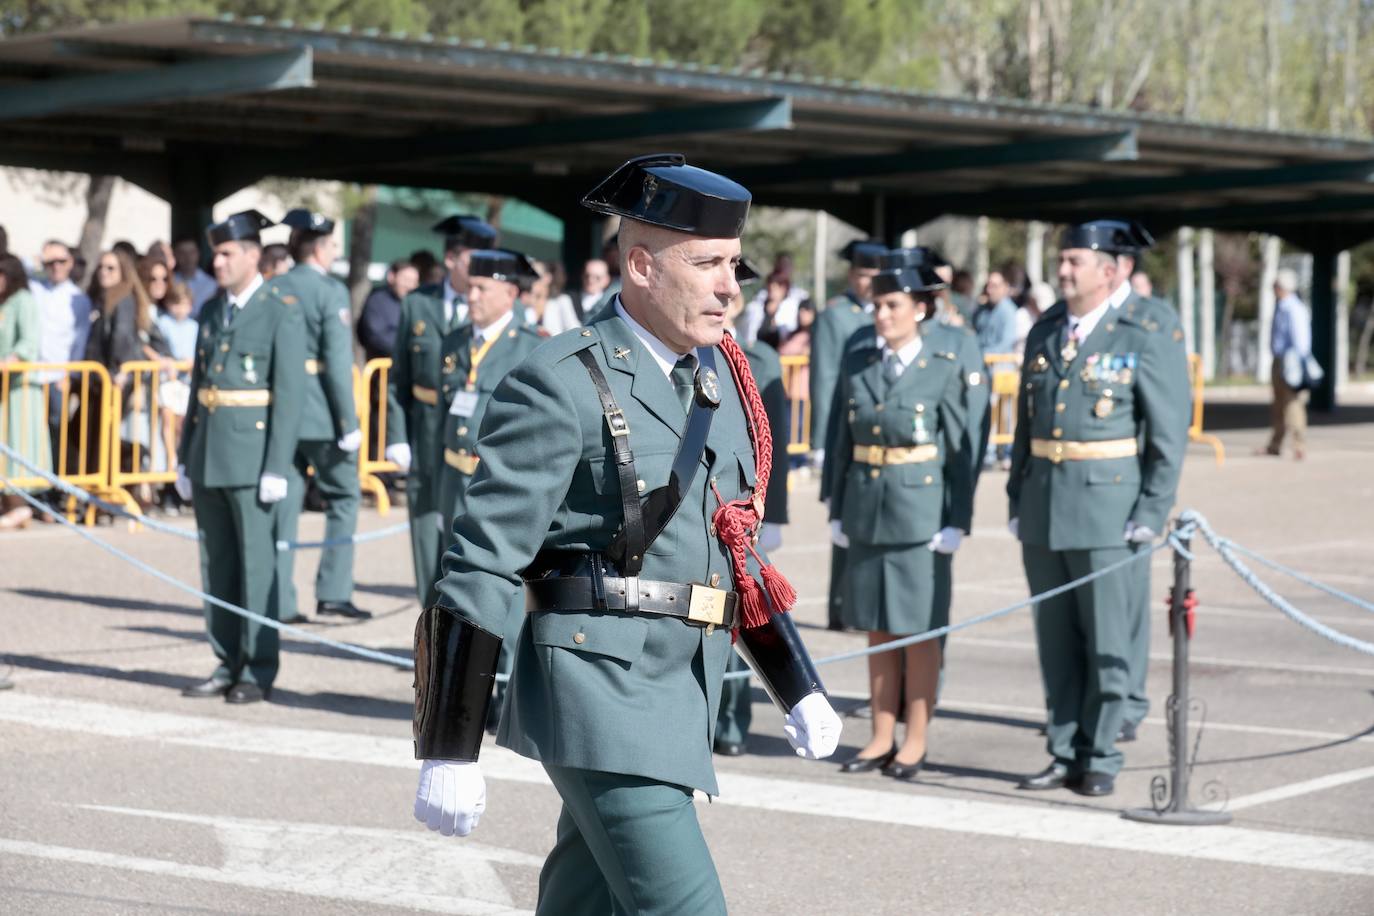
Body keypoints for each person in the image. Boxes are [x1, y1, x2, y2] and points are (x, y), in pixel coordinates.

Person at [411, 154, 841, 914]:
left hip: (680, 691)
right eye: (706, 263)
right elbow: (481, 559)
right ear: (641, 265)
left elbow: (735, 555)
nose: (729, 285)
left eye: (733, 264)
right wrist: (448, 744)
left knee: (587, 903)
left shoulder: (722, 385)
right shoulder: (561, 381)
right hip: (600, 691)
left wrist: (796, 685)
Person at [1009, 223, 1188, 797]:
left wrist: (1152, 509)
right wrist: (1018, 495)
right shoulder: (1044, 330)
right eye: (1062, 261)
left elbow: (1167, 434)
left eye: (1074, 262)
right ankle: (1064, 750)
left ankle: (1102, 752)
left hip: (1112, 510)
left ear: (1110, 271)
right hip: (1046, 507)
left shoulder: (1146, 330)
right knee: (1056, 641)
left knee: (1109, 638)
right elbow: (1024, 427)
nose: (1063, 271)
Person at [824, 259, 983, 779]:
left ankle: (915, 738)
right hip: (867, 506)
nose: (882, 314)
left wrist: (958, 517)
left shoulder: (941, 362)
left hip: (921, 513)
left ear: (921, 309)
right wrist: (835, 502)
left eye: (892, 305)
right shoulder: (861, 359)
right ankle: (878, 735)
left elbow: (961, 447)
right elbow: (838, 433)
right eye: (877, 305)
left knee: (919, 630)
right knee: (876, 626)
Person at [175, 210, 304, 705]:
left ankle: (257, 666)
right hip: (210, 454)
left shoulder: (279, 308)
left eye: (228, 253)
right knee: (218, 565)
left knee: (256, 567)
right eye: (217, 253)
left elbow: (289, 396)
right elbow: (198, 389)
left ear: (253, 255)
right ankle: (225, 660)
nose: (218, 261)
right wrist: (185, 455)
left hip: (253, 461)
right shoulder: (212, 310)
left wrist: (277, 466)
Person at [433, 248, 546, 731]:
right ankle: (457, 687)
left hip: (499, 488)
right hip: (452, 477)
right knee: (455, 585)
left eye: (482, 288)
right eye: (470, 286)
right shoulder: (456, 340)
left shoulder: (529, 347)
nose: (471, 294)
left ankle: (506, 692)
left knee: (505, 592)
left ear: (510, 293)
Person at [386, 214, 498, 607]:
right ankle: (428, 629)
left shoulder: (490, 308)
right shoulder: (418, 304)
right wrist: (396, 437)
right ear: (452, 259)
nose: (482, 266)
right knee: (424, 537)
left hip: (467, 443)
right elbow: (398, 379)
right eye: (474, 257)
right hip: (426, 433)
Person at [273, 209, 368, 624]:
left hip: (283, 414)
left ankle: (279, 600)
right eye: (331, 245)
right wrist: (348, 422)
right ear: (317, 247)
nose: (334, 253)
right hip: (322, 415)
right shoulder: (330, 292)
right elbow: (336, 358)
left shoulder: (275, 287)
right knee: (344, 498)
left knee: (284, 505)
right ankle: (332, 591)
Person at [713, 257, 791, 757]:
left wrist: (775, 512)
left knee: (743, 612)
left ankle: (734, 720)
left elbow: (774, 438)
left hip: (745, 511)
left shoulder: (760, 360)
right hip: (702, 507)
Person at [810, 238, 885, 631]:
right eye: (862, 275)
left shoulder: (887, 311)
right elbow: (824, 380)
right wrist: (821, 442)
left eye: (874, 276)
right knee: (843, 520)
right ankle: (840, 606)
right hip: (842, 432)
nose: (868, 283)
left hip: (874, 432)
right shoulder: (836, 316)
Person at [28, 241, 91, 477]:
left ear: (70, 263)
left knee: (58, 431)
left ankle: (56, 486)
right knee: (32, 430)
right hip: (32, 374)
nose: (55, 266)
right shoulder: (35, 289)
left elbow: (80, 340)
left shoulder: (78, 298)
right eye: (50, 262)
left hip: (58, 376)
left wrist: (69, 375)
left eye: (61, 261)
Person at [0, 254, 50, 530]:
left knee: (17, 444)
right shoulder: (4, 303)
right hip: (4, 390)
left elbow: (28, 343)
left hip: (20, 389)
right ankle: (8, 502)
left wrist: (9, 362)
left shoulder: (24, 302)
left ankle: (19, 505)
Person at [1263, 268, 1312, 461]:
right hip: (1279, 360)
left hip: (1291, 362)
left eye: (1275, 285)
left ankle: (1299, 445)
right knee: (1277, 405)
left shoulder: (1294, 309)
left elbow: (1301, 342)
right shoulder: (1281, 306)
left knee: (1293, 404)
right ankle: (1275, 444)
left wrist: (1296, 364)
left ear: (1282, 287)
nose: (1273, 289)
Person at [359, 259, 419, 364]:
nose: (410, 286)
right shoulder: (377, 301)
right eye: (406, 279)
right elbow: (377, 337)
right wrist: (408, 350)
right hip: (384, 373)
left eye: (414, 282)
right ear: (392, 277)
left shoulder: (416, 304)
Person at [172, 236, 218, 317]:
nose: (188, 257)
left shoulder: (212, 284)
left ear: (198, 253)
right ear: (175, 255)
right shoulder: (170, 282)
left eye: (192, 252)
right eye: (182, 253)